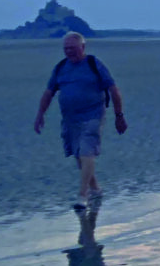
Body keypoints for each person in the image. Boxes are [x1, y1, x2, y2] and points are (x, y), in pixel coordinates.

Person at [34, 31, 127, 208]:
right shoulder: (61, 67)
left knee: (87, 151)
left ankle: (82, 195)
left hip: (93, 115)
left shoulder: (94, 64)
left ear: (82, 47)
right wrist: (40, 114)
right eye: (66, 48)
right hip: (70, 118)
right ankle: (96, 189)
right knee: (78, 154)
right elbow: (49, 92)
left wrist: (119, 116)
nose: (69, 52)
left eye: (73, 48)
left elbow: (114, 90)